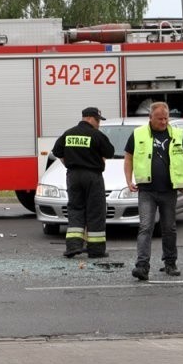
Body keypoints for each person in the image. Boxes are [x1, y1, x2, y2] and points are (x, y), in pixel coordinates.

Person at [124, 101, 183, 281]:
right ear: (150, 117)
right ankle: (142, 266)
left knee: (169, 228)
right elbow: (129, 157)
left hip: (169, 190)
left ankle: (170, 263)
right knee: (145, 227)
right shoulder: (138, 134)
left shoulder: (176, 134)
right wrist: (128, 179)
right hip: (147, 190)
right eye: (159, 118)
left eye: (166, 118)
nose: (164, 122)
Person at [52, 107, 115, 258]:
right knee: (95, 211)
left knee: (75, 209)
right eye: (98, 120)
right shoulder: (96, 135)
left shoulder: (68, 133)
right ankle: (96, 249)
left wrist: (68, 163)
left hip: (73, 176)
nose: (99, 124)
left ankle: (73, 247)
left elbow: (56, 151)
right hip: (93, 176)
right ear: (92, 118)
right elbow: (110, 152)